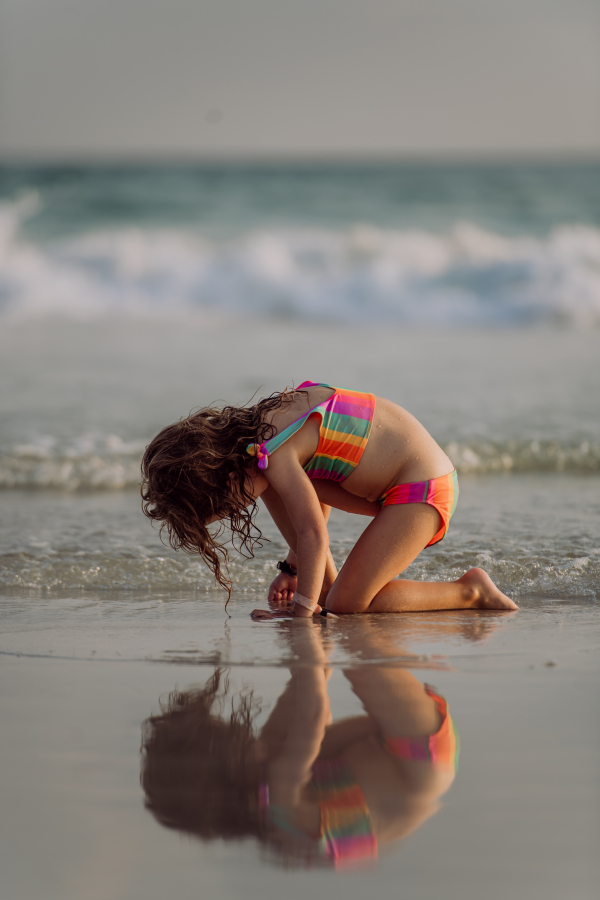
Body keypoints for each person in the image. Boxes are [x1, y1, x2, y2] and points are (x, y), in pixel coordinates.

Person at [141, 380, 517, 617]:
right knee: (278, 490)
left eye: (227, 505)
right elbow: (313, 498)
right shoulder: (269, 427)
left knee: (345, 605)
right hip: (406, 483)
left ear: (225, 471)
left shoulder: (276, 453)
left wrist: (302, 613)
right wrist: (292, 569)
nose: (237, 510)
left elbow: (313, 534)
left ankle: (470, 592)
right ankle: (320, 590)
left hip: (423, 491)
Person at [140, 622, 460, 868]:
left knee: (319, 643)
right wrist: (303, 630)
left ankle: (317, 575)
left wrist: (301, 618)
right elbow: (314, 712)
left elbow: (310, 682)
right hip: (419, 755)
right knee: (353, 633)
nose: (241, 729)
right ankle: (468, 594)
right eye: (228, 735)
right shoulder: (280, 800)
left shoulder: (268, 805)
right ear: (221, 773)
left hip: (379, 757)